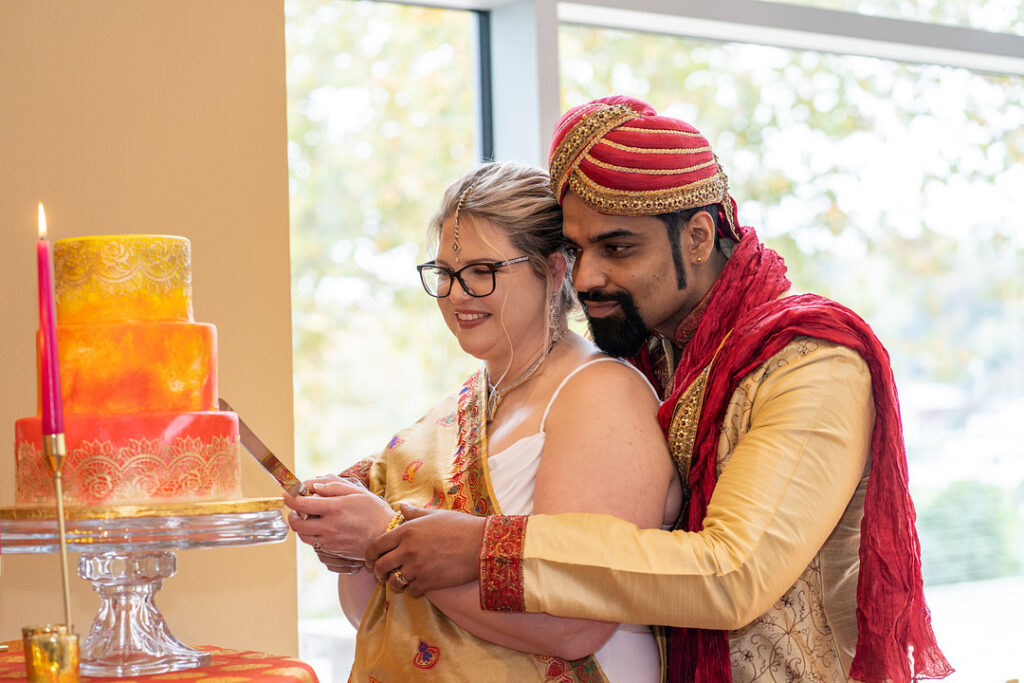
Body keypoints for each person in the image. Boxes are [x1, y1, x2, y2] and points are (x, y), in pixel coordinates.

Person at [364, 97, 953, 683]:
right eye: (575, 250)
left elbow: (731, 574)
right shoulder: (655, 346)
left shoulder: (810, 362)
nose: (586, 278)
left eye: (618, 248)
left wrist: (487, 551)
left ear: (698, 237)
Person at [284, 160, 681, 681]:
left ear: (555, 270)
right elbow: (382, 618)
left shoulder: (600, 394)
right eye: (445, 274)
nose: (455, 295)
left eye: (481, 272)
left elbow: (575, 623)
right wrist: (353, 547)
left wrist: (387, 534)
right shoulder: (458, 408)